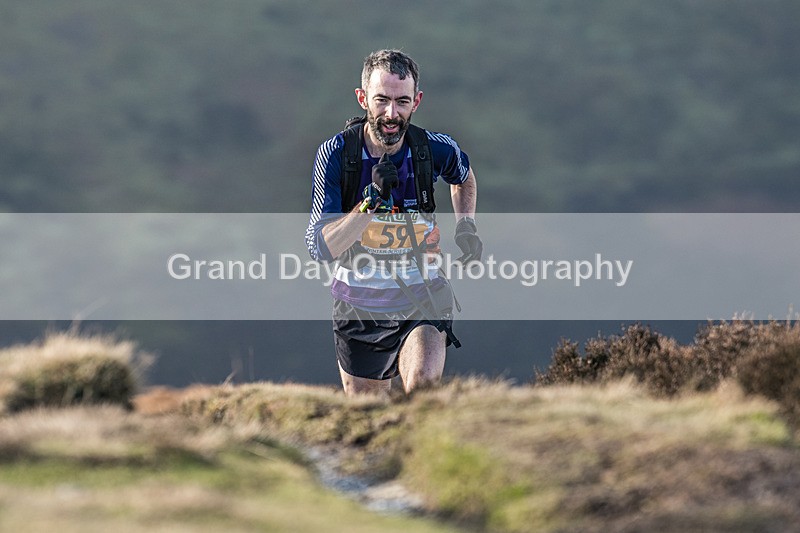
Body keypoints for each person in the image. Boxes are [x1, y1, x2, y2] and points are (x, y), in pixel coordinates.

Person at [305, 49, 481, 396]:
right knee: (368, 420)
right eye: (381, 100)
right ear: (362, 99)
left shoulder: (434, 149)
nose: (391, 114)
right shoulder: (337, 154)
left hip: (423, 298)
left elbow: (464, 177)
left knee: (422, 393)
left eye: (402, 102)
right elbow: (320, 246)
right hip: (359, 308)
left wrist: (466, 227)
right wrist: (371, 199)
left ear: (417, 101)